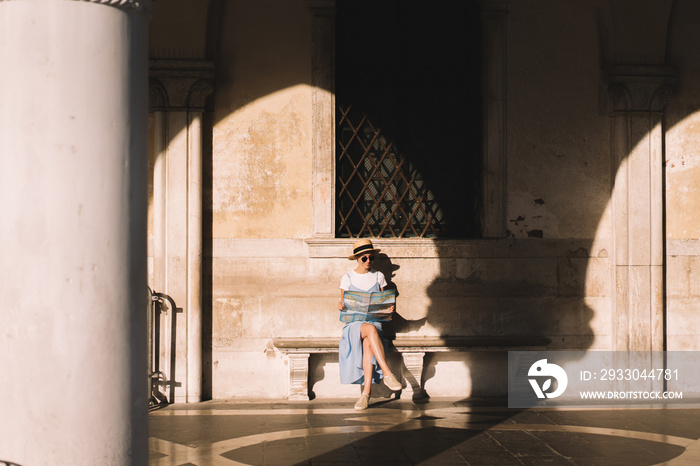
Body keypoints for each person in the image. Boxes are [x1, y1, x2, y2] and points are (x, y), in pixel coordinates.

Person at [338, 239, 402, 410]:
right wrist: (341, 305)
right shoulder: (347, 278)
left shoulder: (379, 276)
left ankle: (365, 395)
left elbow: (383, 302)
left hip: (374, 322)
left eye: (371, 258)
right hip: (353, 325)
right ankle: (387, 373)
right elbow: (343, 302)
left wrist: (388, 308)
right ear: (357, 258)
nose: (368, 261)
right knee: (370, 330)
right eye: (364, 258)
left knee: (369, 342)